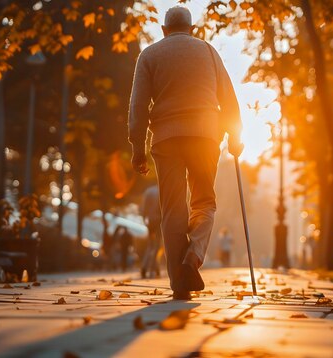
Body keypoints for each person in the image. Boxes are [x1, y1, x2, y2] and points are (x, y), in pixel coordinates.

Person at [128, 6, 243, 300]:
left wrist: (137, 149)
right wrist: (236, 138)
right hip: (205, 136)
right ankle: (193, 257)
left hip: (165, 138)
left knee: (173, 210)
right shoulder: (208, 52)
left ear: (164, 30)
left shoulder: (149, 55)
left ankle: (179, 282)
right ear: (192, 29)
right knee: (205, 200)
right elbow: (229, 98)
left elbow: (138, 107)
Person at [140, 184, 162, 278]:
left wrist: (145, 219)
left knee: (150, 245)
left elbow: (143, 209)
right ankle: (153, 268)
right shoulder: (161, 190)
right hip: (159, 220)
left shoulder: (148, 191)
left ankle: (145, 267)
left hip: (150, 221)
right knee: (157, 246)